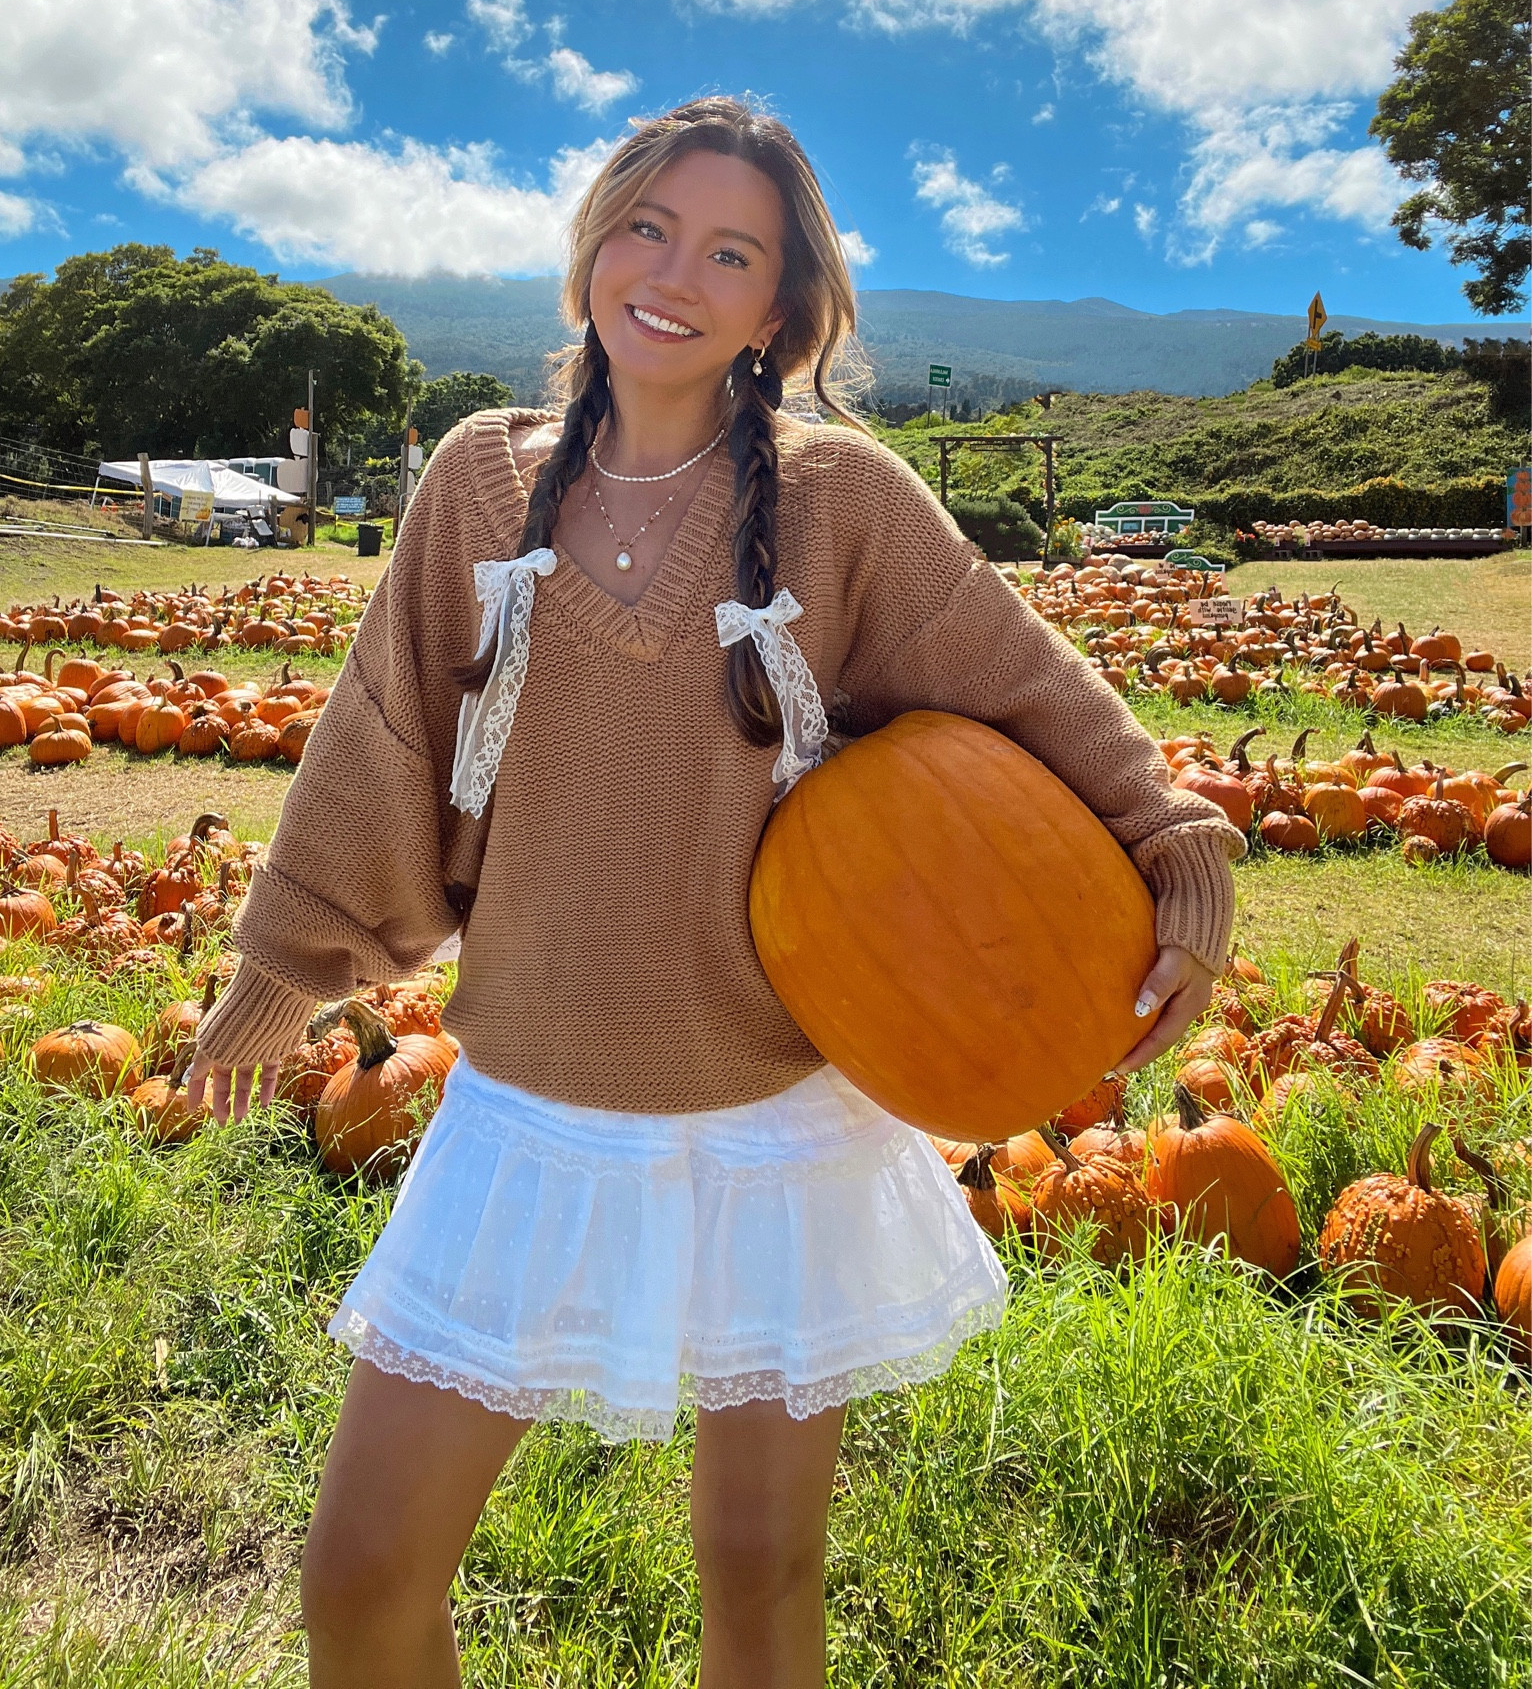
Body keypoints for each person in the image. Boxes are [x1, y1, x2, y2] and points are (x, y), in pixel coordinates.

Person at [186, 96, 1243, 1688]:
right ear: (593, 250)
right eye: (647, 227)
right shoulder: (479, 484)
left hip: (776, 1117)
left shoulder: (845, 505)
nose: (675, 271)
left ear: (779, 309)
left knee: (760, 1574)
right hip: (532, 1101)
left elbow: (1027, 688)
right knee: (361, 1576)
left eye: (731, 249)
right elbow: (381, 732)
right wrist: (284, 960)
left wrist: (1180, 846)